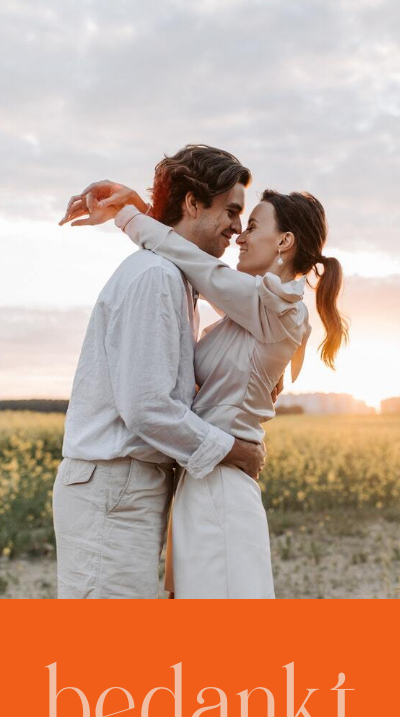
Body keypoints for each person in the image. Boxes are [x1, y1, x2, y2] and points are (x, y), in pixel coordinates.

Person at [60, 172, 348, 599]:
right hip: (201, 475)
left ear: (284, 242)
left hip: (222, 480)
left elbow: (200, 266)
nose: (239, 235)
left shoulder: (280, 307)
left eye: (251, 224)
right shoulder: (246, 312)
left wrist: (131, 216)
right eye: (235, 217)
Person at [53, 145, 268, 600]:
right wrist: (235, 451)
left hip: (126, 486)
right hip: (114, 485)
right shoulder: (156, 277)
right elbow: (147, 406)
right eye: (231, 211)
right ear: (192, 203)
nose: (236, 227)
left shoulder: (174, 278)